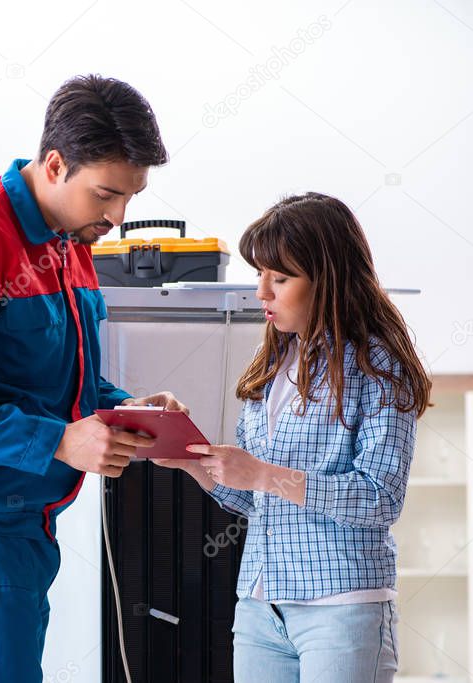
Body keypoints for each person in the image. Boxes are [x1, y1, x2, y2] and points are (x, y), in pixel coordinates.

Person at [0, 74, 186, 681]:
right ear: (55, 164)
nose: (118, 216)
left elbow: (60, 382)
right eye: (106, 194)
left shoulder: (67, 240)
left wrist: (128, 408)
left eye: (131, 196)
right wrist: (56, 441)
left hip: (19, 524)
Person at [155, 192, 432, 682]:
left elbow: (381, 498)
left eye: (279, 278)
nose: (262, 292)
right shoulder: (271, 365)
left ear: (327, 281)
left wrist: (264, 473)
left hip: (343, 607)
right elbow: (257, 499)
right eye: (260, 275)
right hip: (262, 605)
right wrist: (189, 458)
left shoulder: (378, 366)